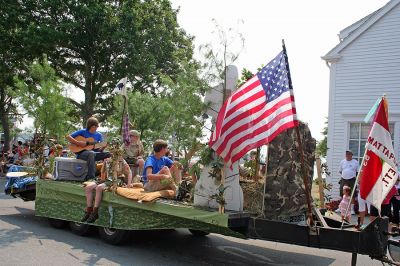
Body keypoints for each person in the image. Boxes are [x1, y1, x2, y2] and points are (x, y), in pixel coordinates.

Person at [81, 154, 132, 223]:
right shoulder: (107, 159)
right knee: (88, 187)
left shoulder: (121, 160)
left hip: (117, 179)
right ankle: (89, 210)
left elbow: (129, 172)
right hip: (108, 179)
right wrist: (102, 179)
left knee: (99, 188)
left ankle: (95, 212)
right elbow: (103, 171)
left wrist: (129, 184)